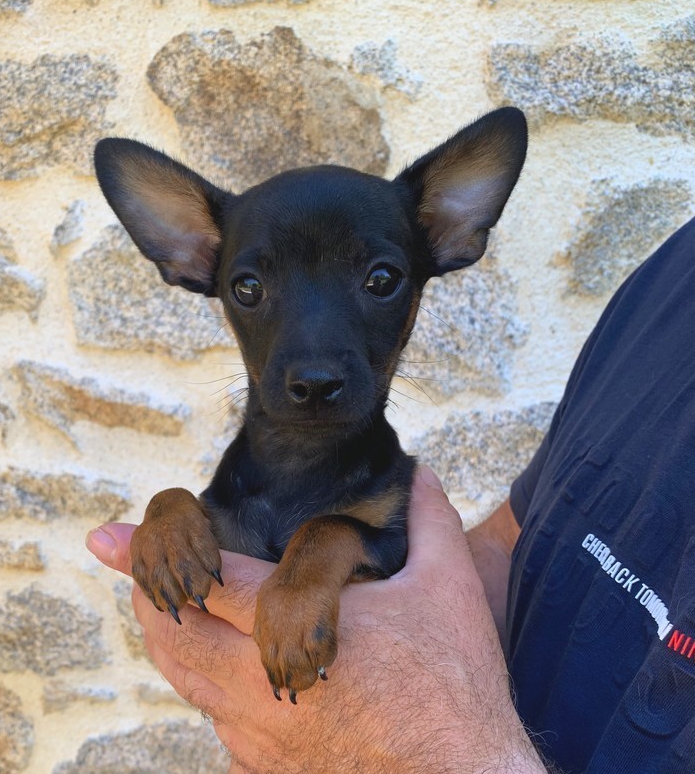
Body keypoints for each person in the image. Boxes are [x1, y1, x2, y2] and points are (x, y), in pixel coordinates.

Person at [87, 217, 695, 773]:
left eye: (378, 280)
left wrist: (431, 746)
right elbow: (515, 540)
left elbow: (372, 542)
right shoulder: (675, 279)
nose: (315, 361)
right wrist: (167, 515)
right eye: (250, 287)